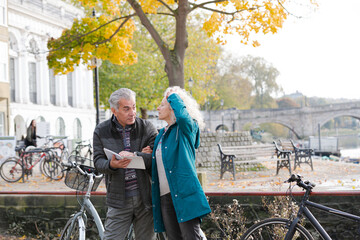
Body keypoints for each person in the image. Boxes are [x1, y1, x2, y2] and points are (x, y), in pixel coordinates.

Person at [93, 88, 158, 240]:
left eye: (134, 107)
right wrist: (112, 165)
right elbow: (98, 162)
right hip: (118, 199)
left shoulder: (147, 127)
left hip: (145, 199)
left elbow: (156, 158)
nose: (132, 112)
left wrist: (136, 155)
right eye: (126, 108)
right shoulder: (101, 131)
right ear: (114, 111)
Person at [151, 86, 211, 240]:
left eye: (162, 104)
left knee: (191, 237)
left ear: (173, 107)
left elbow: (184, 118)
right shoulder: (162, 135)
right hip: (165, 197)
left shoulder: (187, 128)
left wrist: (173, 96)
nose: (158, 108)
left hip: (184, 194)